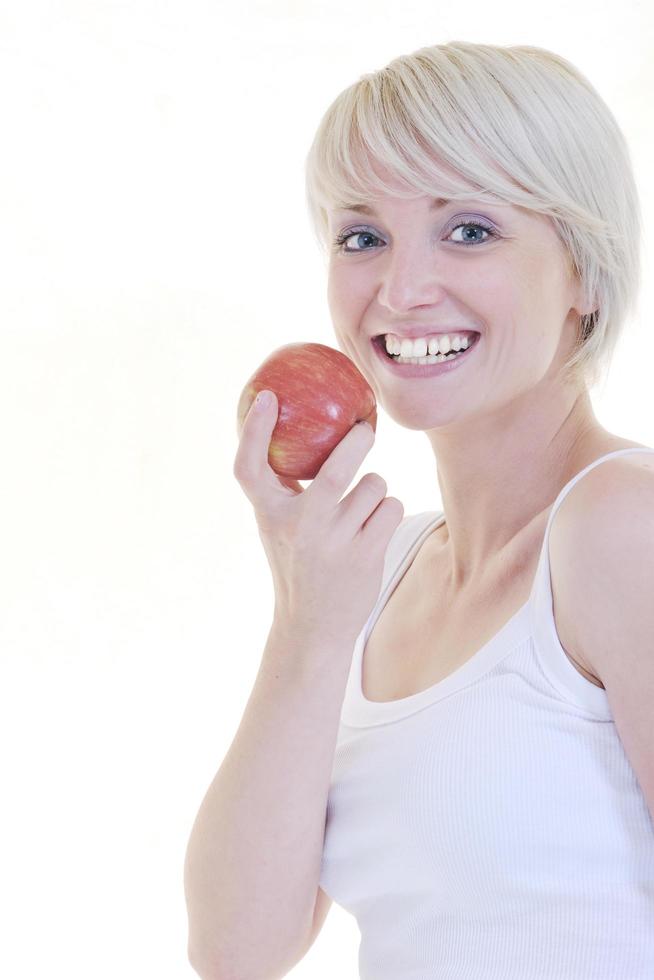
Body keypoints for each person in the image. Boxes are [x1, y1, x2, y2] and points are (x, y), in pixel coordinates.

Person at [184, 41, 654, 979]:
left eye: (470, 229)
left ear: (587, 278)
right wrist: (307, 627)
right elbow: (238, 949)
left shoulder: (622, 524)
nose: (400, 291)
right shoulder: (384, 567)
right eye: (363, 237)